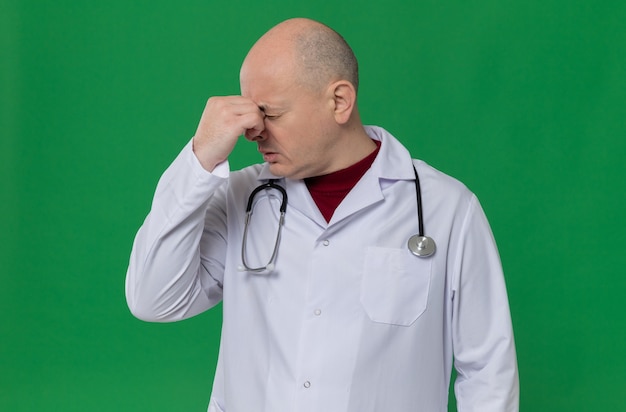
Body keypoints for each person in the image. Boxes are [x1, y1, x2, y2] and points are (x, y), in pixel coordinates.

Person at [125, 17, 519, 412]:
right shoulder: (240, 196)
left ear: (339, 101)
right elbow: (153, 299)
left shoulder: (446, 208)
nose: (253, 131)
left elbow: (488, 371)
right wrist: (201, 157)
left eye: (271, 114)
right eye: (250, 113)